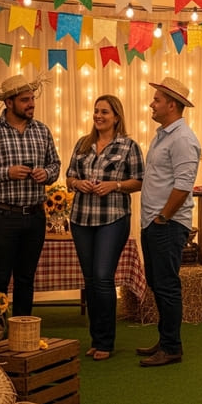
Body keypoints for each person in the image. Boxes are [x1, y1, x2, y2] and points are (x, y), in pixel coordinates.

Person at [0, 74, 61, 316]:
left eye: (32, 99)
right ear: (9, 102)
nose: (31, 104)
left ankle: (22, 335)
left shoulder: (42, 131)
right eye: (25, 100)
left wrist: (46, 174)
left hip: (35, 216)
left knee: (26, 279)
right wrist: (6, 173)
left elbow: (55, 165)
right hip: (3, 217)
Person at [65, 95, 144, 361]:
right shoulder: (83, 144)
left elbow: (139, 180)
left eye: (105, 112)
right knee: (90, 280)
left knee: (102, 277)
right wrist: (78, 184)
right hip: (81, 219)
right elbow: (69, 176)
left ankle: (106, 341)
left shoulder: (128, 146)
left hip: (113, 217)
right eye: (96, 111)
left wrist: (115, 185)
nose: (98, 116)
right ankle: (96, 338)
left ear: (116, 117)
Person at [136, 77, 200, 367]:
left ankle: (172, 347)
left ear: (171, 105)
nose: (152, 103)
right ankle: (166, 339)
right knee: (156, 282)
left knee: (166, 284)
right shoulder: (164, 135)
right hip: (154, 222)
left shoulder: (184, 139)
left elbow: (184, 185)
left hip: (167, 223)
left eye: (157, 100)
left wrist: (164, 217)